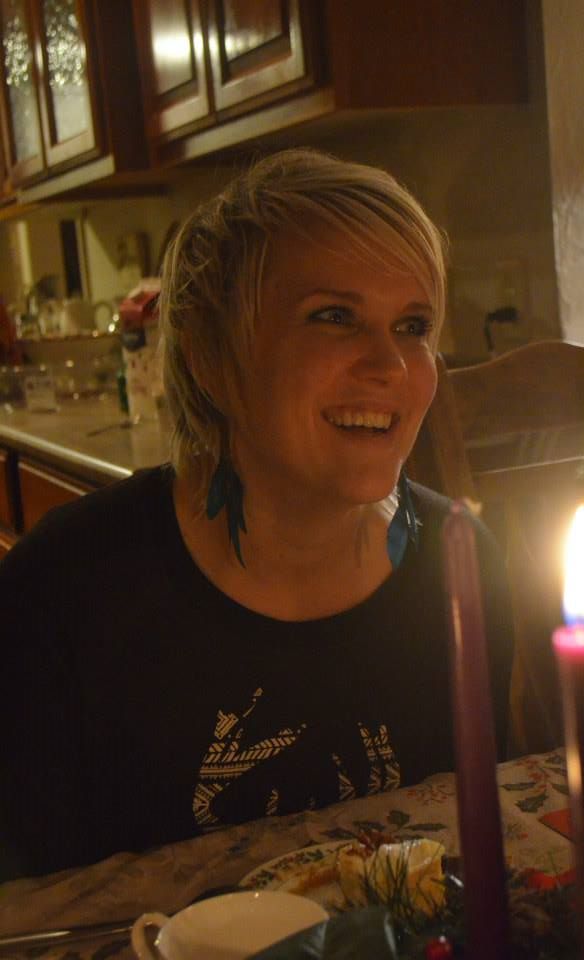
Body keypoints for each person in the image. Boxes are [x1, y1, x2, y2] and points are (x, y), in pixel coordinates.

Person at [0, 148, 513, 882]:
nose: (391, 366)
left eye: (413, 326)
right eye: (334, 317)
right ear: (211, 355)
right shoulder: (62, 595)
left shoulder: (462, 562)